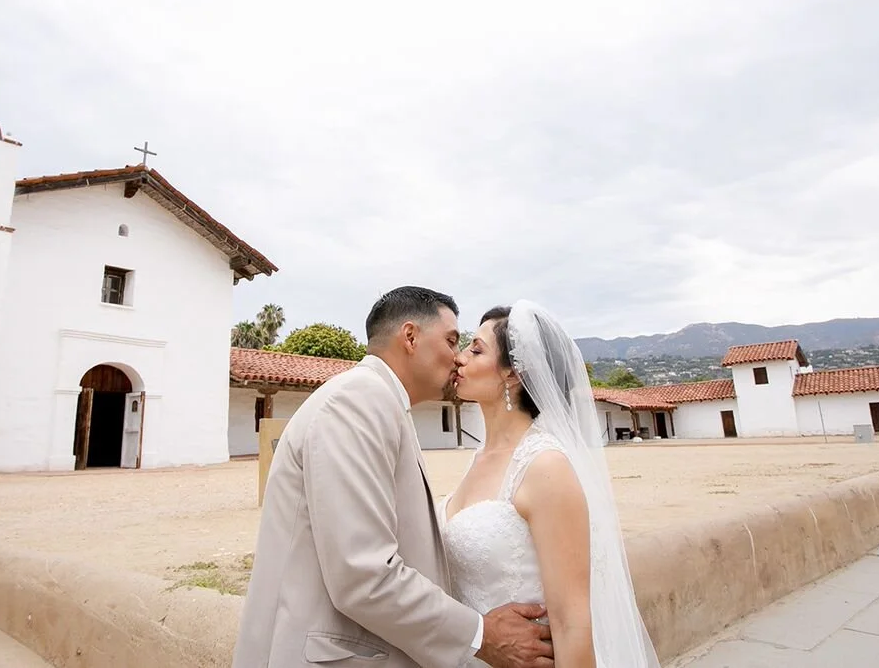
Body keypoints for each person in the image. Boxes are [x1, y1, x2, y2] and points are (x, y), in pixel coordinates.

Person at [233, 286, 554, 668]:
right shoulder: (357, 402)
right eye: (452, 340)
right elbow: (363, 575)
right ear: (410, 336)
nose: (457, 357)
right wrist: (482, 635)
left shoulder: (384, 404)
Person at [442, 301, 660, 668]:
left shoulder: (544, 466)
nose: (459, 358)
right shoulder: (477, 458)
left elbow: (572, 621)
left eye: (475, 349)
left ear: (513, 373)